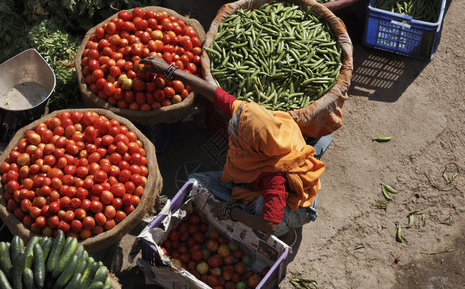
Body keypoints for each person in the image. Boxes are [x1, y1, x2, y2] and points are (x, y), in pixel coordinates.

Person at [140, 55, 331, 246]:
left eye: (237, 138)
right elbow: (213, 93)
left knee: (261, 209)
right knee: (196, 181)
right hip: (267, 178)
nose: (232, 138)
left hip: (293, 204)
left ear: (252, 146)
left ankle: (287, 234)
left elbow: (269, 223)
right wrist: (169, 70)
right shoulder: (254, 117)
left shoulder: (275, 177)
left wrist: (231, 212)